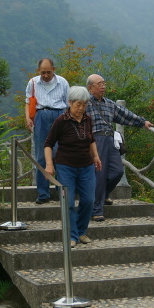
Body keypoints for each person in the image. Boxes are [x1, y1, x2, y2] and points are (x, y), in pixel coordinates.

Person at [86, 73, 154, 221]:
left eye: (104, 83)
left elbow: (125, 115)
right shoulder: (84, 103)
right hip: (95, 140)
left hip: (110, 139)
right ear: (90, 87)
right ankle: (96, 210)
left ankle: (103, 195)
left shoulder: (109, 103)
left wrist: (143, 122)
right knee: (99, 174)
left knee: (117, 171)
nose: (103, 86)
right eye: (99, 84)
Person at [43, 87, 102, 247]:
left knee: (89, 200)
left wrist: (96, 156)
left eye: (84, 105)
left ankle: (81, 231)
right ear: (69, 103)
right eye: (78, 105)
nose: (81, 109)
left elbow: (91, 140)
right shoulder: (61, 121)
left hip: (86, 166)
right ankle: (72, 235)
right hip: (65, 167)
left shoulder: (88, 120)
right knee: (68, 203)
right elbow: (48, 144)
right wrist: (49, 164)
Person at [24, 58, 69, 204]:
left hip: (59, 115)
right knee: (41, 155)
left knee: (60, 154)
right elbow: (27, 101)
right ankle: (43, 194)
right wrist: (28, 118)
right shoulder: (33, 82)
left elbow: (69, 103)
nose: (46, 75)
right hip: (41, 116)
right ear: (38, 71)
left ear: (54, 70)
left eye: (48, 72)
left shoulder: (62, 82)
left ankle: (61, 192)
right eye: (43, 72)